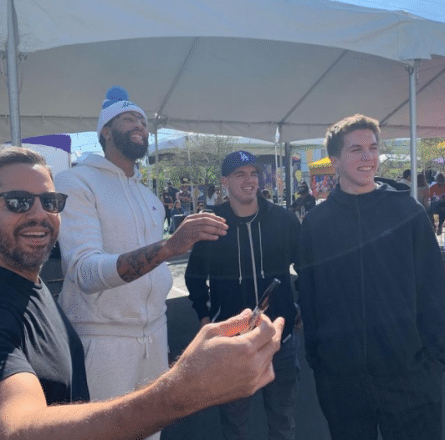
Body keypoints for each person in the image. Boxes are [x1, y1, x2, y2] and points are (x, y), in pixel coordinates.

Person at [0, 146, 284, 440]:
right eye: (18, 202)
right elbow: (17, 430)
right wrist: (181, 389)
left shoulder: (31, 287)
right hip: (109, 346)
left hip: (151, 338)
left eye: (50, 201)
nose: (39, 214)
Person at [54, 86, 230, 440]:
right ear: (105, 131)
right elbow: (85, 272)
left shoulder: (149, 197)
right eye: (128, 118)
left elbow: (154, 275)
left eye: (143, 121)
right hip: (101, 342)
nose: (140, 125)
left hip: (153, 335)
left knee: (152, 433)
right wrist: (169, 247)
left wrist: (156, 329)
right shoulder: (75, 181)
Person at [297, 114, 445, 440]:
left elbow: (434, 290)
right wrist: (320, 362)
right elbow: (309, 296)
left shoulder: (408, 213)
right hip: (342, 380)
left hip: (410, 374)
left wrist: (435, 362)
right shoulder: (316, 224)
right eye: (356, 150)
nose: (368, 157)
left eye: (373, 148)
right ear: (335, 161)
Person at [186, 150, 300, 440]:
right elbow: (194, 276)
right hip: (232, 342)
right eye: (240, 174)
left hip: (279, 339)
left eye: (253, 174)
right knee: (234, 424)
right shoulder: (212, 225)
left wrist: (299, 308)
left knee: (283, 421)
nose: (249, 180)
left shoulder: (284, 220)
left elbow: (307, 266)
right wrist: (204, 316)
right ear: (224, 181)